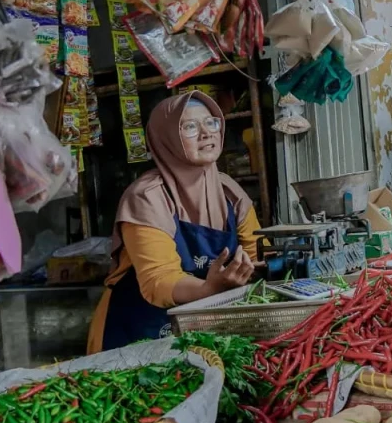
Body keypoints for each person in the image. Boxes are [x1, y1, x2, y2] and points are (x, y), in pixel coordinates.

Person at [87, 92, 261, 353]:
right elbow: (158, 279)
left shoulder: (231, 193)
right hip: (137, 332)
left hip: (202, 331)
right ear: (166, 138)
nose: (206, 133)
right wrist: (209, 288)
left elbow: (257, 256)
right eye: (190, 127)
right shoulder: (147, 197)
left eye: (211, 122)